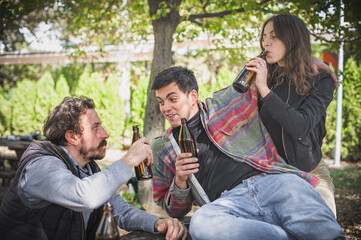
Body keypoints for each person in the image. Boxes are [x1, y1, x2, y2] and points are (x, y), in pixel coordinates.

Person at [150, 66, 345, 239]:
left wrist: (309, 58)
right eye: (160, 102)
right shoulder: (162, 148)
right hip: (229, 204)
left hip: (273, 183)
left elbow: (265, 60)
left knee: (307, 207)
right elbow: (173, 209)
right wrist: (180, 182)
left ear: (192, 96)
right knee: (201, 222)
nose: (165, 108)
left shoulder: (225, 103)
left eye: (172, 99)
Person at [0, 96, 186, 240]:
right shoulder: (41, 166)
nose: (106, 134)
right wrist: (129, 159)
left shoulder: (87, 168)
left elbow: (118, 210)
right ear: (72, 137)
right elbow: (86, 197)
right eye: (95, 128)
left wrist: (158, 222)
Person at [248, 14, 337, 216]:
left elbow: (301, 126)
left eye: (274, 36)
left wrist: (264, 89)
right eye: (264, 37)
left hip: (311, 173)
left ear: (292, 39)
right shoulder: (266, 76)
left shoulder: (320, 79)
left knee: (324, 228)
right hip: (271, 174)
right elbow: (235, 109)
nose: (266, 42)